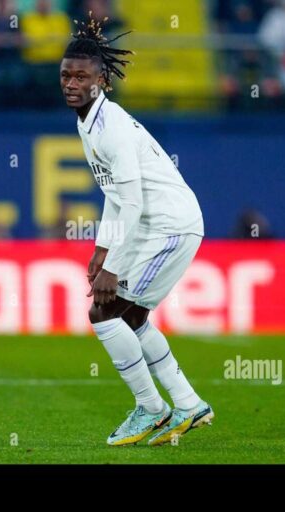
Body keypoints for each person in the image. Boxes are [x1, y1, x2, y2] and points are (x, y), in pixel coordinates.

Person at [60, 15, 213, 446]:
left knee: (104, 312)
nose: (71, 83)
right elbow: (117, 193)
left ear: (102, 80)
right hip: (156, 224)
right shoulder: (88, 120)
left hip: (168, 227)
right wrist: (102, 248)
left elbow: (135, 201)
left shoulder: (111, 129)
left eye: (81, 76)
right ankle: (188, 403)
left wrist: (113, 266)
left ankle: (151, 408)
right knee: (134, 317)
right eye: (65, 75)